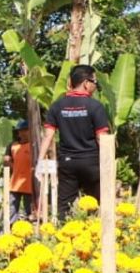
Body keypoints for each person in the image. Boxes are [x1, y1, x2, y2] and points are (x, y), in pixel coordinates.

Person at [37, 64, 111, 219]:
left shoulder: (57, 106)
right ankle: (94, 234)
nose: (95, 86)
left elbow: (48, 135)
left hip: (67, 163)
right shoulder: (95, 107)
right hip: (91, 162)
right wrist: (108, 163)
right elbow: (101, 137)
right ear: (86, 83)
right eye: (94, 82)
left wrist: (39, 161)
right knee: (97, 204)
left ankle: (64, 235)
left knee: (65, 206)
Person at [3, 120, 34, 220]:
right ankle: (9, 227)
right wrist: (14, 167)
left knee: (30, 210)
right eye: (20, 131)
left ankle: (29, 230)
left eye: (25, 130)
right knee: (11, 209)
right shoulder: (12, 145)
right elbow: (6, 160)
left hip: (30, 184)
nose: (22, 133)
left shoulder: (34, 145)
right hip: (14, 184)